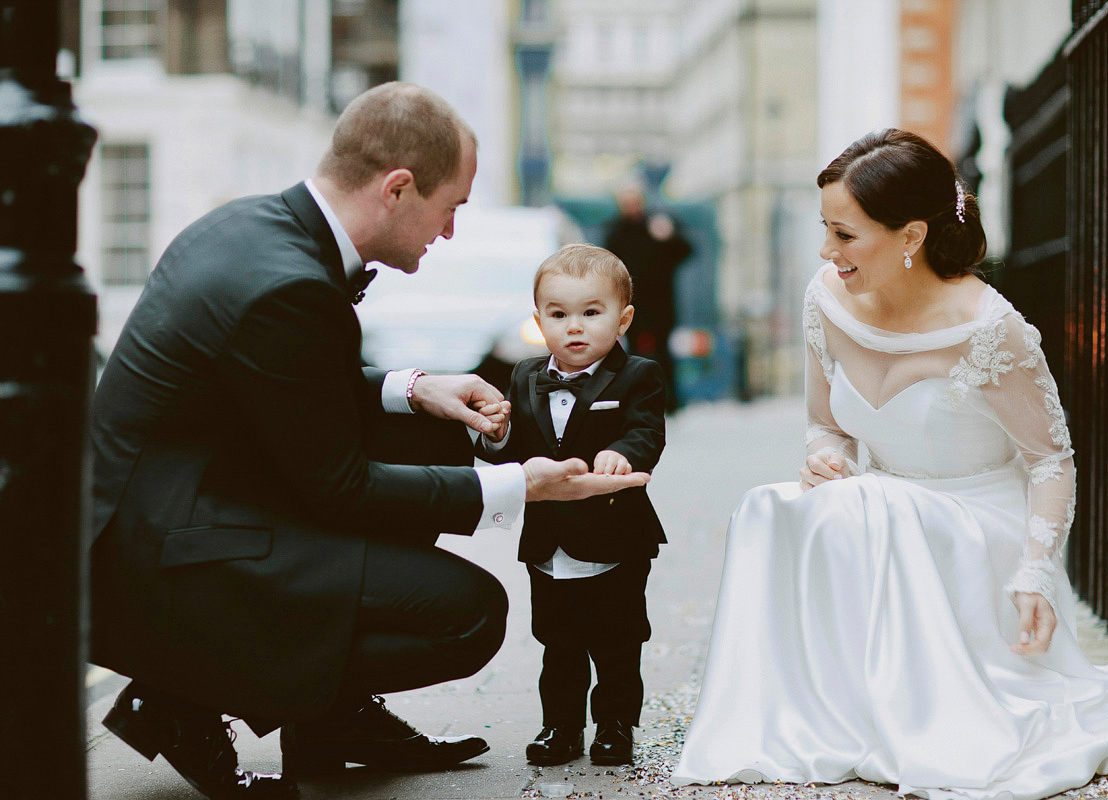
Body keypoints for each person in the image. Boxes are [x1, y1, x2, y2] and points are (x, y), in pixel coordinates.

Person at [88, 82, 650, 800]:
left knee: (439, 438)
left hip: (180, 504)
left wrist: (415, 389)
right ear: (397, 188)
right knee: (469, 616)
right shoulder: (286, 283)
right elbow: (340, 486)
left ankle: (331, 721)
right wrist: (524, 486)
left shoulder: (252, 227)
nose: (447, 232)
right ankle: (184, 693)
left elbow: (283, 382)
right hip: (162, 559)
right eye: (450, 209)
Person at [671, 129, 1108, 800]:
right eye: (825, 230)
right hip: (881, 515)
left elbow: (1050, 461)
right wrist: (825, 459)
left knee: (879, 506)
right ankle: (809, 716)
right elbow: (825, 425)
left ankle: (916, 717)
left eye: (846, 234)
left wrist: (1036, 573)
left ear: (911, 235)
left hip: (983, 532)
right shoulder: (824, 298)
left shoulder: (990, 326)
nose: (828, 251)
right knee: (770, 507)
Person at [476, 243, 667, 767]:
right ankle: (559, 728)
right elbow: (511, 448)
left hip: (614, 537)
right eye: (558, 315)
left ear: (623, 319)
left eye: (591, 313)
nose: (574, 327)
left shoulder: (637, 376)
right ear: (539, 320)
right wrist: (494, 436)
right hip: (548, 538)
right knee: (557, 643)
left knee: (617, 640)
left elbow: (646, 431)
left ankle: (615, 727)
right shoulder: (524, 376)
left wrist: (620, 454)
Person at [603, 183, 692, 414]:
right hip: (631, 302)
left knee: (663, 351)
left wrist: (668, 236)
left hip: (661, 302)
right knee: (632, 353)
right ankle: (638, 399)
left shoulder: (658, 224)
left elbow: (685, 251)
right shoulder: (616, 230)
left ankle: (670, 401)